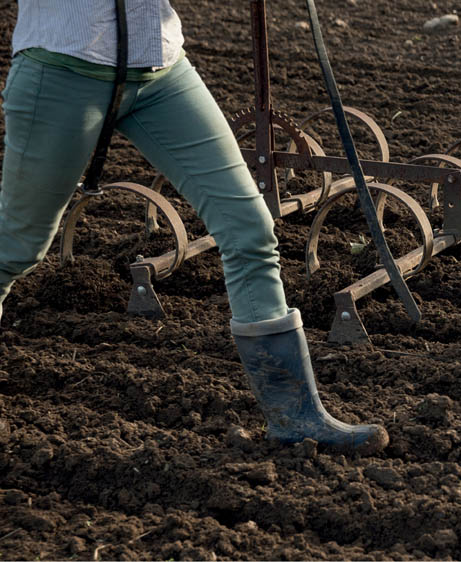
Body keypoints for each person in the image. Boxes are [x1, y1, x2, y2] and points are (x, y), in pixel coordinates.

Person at [0, 1, 389, 455]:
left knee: (248, 227)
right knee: (17, 245)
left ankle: (295, 418)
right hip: (63, 69)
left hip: (161, 72)